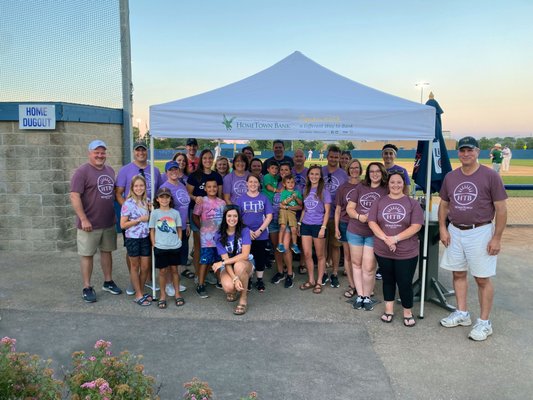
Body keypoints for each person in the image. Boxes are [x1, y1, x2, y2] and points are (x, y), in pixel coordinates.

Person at [438, 136, 508, 341]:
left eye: (470, 150)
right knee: (458, 274)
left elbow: (501, 209)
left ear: (477, 152)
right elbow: (444, 204)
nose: (466, 154)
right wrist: (443, 228)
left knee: (482, 278)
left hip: (480, 230)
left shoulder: (490, 175)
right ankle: (462, 313)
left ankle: (485, 323)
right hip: (456, 230)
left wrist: (497, 238)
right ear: (458, 153)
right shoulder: (451, 177)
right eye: (462, 150)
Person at [367, 170, 423, 326]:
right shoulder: (380, 202)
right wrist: (386, 239)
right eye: (392, 182)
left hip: (406, 252)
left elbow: (416, 226)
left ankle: (407, 311)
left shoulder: (413, 203)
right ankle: (389, 309)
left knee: (404, 282)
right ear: (388, 184)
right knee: (388, 280)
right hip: (383, 250)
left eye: (399, 182)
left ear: (404, 184)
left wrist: (395, 239)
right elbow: (372, 222)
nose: (396, 185)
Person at [70, 139, 121, 303]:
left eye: (102, 152)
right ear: (89, 153)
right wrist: (83, 219)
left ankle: (108, 281)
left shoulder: (110, 170)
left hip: (107, 222)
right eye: (96, 152)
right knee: (87, 255)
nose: (100, 155)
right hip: (88, 224)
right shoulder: (82, 172)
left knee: (107, 252)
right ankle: (87, 286)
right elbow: (74, 195)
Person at [115, 141, 162, 294]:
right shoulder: (125, 170)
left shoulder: (154, 169)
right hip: (132, 221)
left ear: (147, 151)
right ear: (134, 152)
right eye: (138, 150)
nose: (141, 153)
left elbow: (158, 193)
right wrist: (130, 210)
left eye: (143, 150)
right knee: (132, 255)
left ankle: (146, 281)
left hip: (148, 219)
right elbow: (118, 192)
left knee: (146, 255)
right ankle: (133, 283)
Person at [346, 162, 388, 309]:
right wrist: (358, 216)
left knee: (369, 266)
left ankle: (368, 296)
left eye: (377, 171)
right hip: (356, 230)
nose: (375, 174)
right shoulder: (361, 187)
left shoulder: (386, 190)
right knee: (356, 264)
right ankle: (361, 295)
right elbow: (349, 208)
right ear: (368, 173)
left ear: (382, 173)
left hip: (374, 233)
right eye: (371, 171)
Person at [187, 149, 224, 286]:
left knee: (213, 245)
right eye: (205, 158)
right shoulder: (194, 176)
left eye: (210, 158)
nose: (208, 160)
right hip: (197, 213)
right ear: (201, 160)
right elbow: (188, 193)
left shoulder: (217, 176)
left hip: (213, 215)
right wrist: (196, 197)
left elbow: (219, 196)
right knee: (199, 246)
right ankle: (198, 274)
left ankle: (208, 273)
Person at [211, 206, 254, 315]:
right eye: (229, 216)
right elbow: (225, 259)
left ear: (238, 218)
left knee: (239, 266)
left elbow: (245, 255)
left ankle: (243, 298)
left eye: (235, 216)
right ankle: (235, 289)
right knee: (228, 287)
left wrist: (223, 262)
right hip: (228, 266)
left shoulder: (245, 230)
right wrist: (234, 278)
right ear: (225, 217)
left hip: (245, 263)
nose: (232, 219)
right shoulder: (219, 235)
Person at [235, 174, 273, 292]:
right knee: (247, 257)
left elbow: (269, 216)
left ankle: (260, 280)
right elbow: (237, 218)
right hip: (245, 234)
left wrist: (260, 230)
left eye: (255, 182)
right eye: (250, 182)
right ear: (246, 183)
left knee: (260, 257)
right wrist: (247, 231)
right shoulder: (240, 199)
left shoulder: (264, 198)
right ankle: (249, 279)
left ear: (259, 184)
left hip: (260, 233)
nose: (253, 184)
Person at [159, 160, 191, 296]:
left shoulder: (182, 185)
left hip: (183, 226)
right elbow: (163, 210)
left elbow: (186, 206)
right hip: (172, 228)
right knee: (170, 257)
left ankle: (174, 281)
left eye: (175, 169)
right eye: (170, 170)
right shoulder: (165, 188)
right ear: (166, 173)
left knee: (177, 256)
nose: (173, 172)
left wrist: (188, 223)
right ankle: (168, 284)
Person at [149, 187, 184, 309]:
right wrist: (154, 243)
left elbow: (179, 228)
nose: (164, 199)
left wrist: (179, 240)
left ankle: (177, 293)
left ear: (170, 198)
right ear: (157, 199)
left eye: (167, 197)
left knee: (175, 270)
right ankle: (162, 295)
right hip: (160, 246)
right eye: (162, 197)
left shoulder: (175, 213)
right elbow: (152, 229)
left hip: (174, 245)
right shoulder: (155, 213)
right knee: (163, 271)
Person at [298, 165, 331, 294]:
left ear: (321, 176)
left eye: (317, 174)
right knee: (307, 254)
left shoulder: (324, 190)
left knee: (320, 255)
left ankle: (319, 281)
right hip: (306, 224)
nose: (314, 176)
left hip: (318, 225)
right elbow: (304, 209)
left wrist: (323, 227)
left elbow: (327, 211)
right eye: (312, 174)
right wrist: (300, 223)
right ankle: (311, 280)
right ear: (308, 175)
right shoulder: (305, 189)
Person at [120, 175, 152, 306]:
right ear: (132, 188)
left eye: (141, 185)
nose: (139, 188)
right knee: (135, 266)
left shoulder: (147, 202)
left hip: (145, 237)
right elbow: (123, 224)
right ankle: (138, 294)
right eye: (136, 186)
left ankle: (141, 290)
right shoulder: (128, 203)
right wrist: (139, 220)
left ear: (145, 187)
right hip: (133, 238)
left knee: (145, 267)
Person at [192, 178, 226, 299]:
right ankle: (201, 284)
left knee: (218, 260)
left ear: (217, 188)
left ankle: (220, 281)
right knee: (205, 261)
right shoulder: (202, 201)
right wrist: (201, 227)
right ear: (205, 188)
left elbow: (225, 219)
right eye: (209, 187)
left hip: (219, 237)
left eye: (214, 187)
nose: (212, 189)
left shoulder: (222, 203)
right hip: (206, 238)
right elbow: (195, 216)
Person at [334, 158, 362, 299]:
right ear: (348, 170)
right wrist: (337, 228)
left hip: (362, 225)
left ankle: (363, 285)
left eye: (356, 168)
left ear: (360, 170)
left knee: (363, 258)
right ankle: (352, 285)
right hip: (346, 223)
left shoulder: (365, 185)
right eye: (352, 168)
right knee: (349, 256)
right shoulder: (343, 187)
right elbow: (338, 209)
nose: (354, 170)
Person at [322, 145, 348, 288]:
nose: (333, 159)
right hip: (322, 215)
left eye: (336, 157)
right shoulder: (321, 172)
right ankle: (324, 271)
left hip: (337, 215)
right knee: (322, 246)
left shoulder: (343, 174)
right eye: (331, 156)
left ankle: (335, 273)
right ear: (327, 157)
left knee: (335, 245)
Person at [269, 163, 297, 288]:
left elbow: (300, 205)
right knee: (277, 247)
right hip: (274, 220)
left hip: (286, 221)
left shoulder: (293, 187)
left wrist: (286, 206)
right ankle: (280, 272)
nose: (284, 172)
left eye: (286, 169)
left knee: (285, 247)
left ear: (290, 171)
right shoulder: (277, 186)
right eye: (281, 170)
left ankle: (290, 273)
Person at [277, 174, 303, 255]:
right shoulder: (284, 192)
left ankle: (294, 244)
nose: (290, 184)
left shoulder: (297, 192)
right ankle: (280, 244)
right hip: (284, 211)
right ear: (284, 184)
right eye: (288, 182)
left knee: (294, 229)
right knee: (283, 226)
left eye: (292, 182)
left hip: (292, 212)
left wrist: (296, 198)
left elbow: (300, 204)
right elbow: (283, 202)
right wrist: (291, 198)